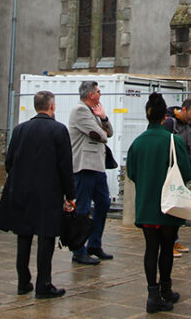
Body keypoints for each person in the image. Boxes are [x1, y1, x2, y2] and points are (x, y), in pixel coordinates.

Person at [0, 90, 76, 299]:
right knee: (46, 237)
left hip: (22, 190)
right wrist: (70, 195)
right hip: (48, 192)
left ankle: (23, 281)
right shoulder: (58, 130)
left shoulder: (20, 129)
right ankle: (43, 284)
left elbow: (9, 162)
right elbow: (65, 166)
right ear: (51, 107)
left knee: (23, 235)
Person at [126, 92, 191, 313]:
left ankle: (152, 295)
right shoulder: (173, 140)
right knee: (166, 248)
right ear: (164, 117)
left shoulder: (137, 143)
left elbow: (132, 173)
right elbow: (186, 172)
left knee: (150, 249)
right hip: (168, 203)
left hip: (146, 203)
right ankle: (166, 290)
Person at [68, 80, 115, 264]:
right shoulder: (80, 111)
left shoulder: (93, 112)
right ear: (90, 95)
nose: (100, 94)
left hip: (97, 166)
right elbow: (99, 135)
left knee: (103, 203)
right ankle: (78, 250)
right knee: (83, 208)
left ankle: (94, 244)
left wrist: (103, 118)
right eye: (98, 91)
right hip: (83, 166)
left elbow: (108, 132)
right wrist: (101, 129)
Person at [163, 98, 191, 257]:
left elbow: (186, 149)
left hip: (182, 170)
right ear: (184, 110)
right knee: (170, 206)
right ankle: (167, 243)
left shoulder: (188, 126)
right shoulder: (171, 123)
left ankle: (174, 239)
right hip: (171, 170)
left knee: (179, 205)